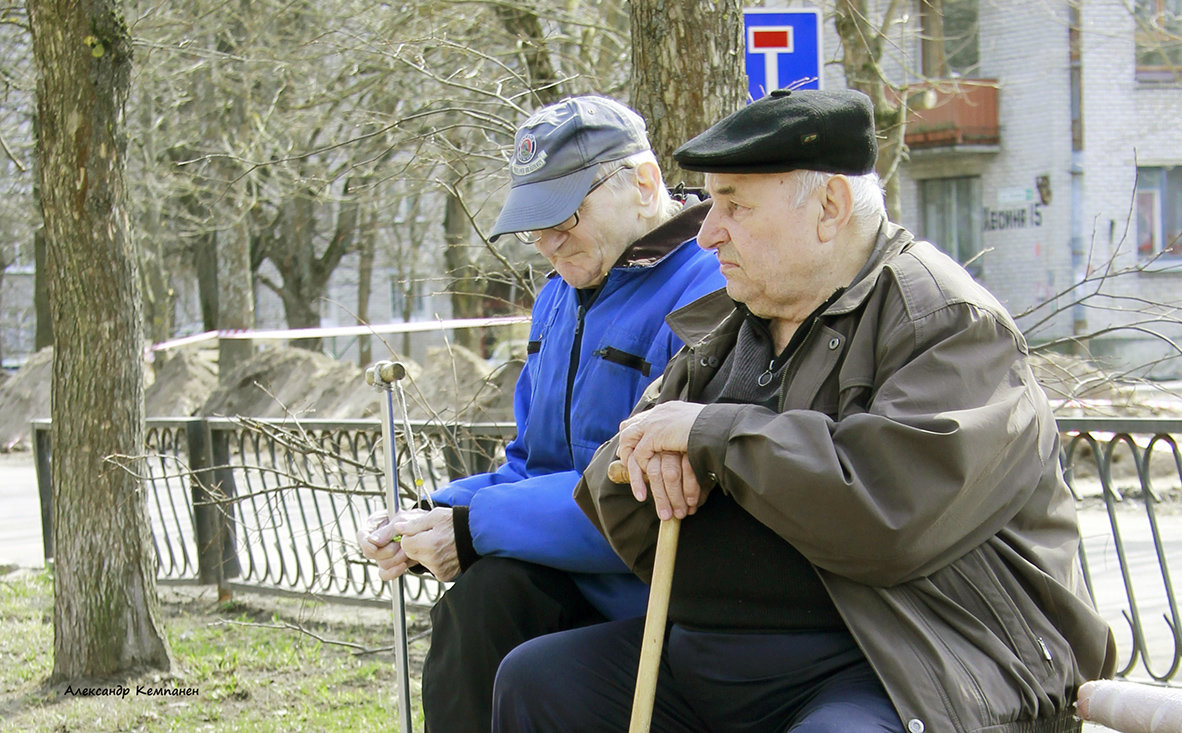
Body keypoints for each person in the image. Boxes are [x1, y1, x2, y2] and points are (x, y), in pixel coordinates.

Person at [491, 89, 1117, 732]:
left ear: (829, 206)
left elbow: (886, 509)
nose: (707, 231)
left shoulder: (947, 321)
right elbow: (614, 491)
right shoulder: (732, 325)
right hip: (716, 659)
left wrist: (715, 442)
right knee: (541, 681)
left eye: (734, 204)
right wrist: (648, 460)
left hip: (897, 659)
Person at [356, 95, 724, 733]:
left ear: (642, 184)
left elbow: (642, 494)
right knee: (480, 603)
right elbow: (533, 463)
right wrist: (429, 516)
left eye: (565, 215)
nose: (548, 242)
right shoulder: (558, 296)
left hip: (658, 606)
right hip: (563, 584)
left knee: (487, 600)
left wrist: (471, 528)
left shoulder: (710, 285)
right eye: (534, 222)